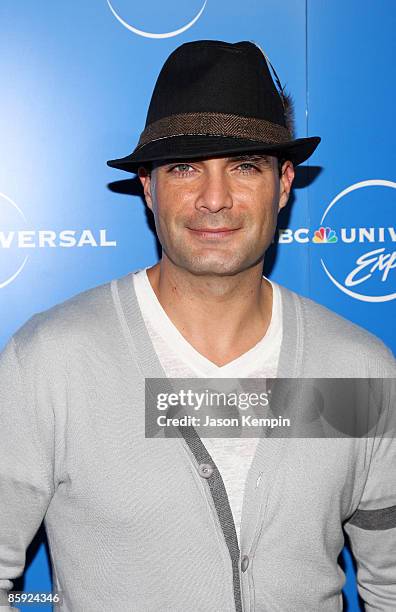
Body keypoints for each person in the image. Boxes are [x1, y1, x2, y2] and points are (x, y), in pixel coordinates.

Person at [0, 40, 395, 612]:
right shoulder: (53, 362)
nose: (215, 199)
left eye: (244, 166)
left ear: (284, 184)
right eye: (184, 167)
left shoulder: (356, 369)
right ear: (147, 187)